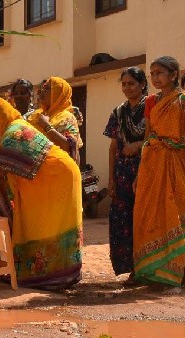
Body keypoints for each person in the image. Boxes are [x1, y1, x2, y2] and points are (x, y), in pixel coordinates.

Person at [0, 97, 82, 290]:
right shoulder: (12, 130)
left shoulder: (14, 132)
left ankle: (56, 276)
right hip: (49, 178)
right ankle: (48, 274)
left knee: (51, 225)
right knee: (41, 224)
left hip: (57, 177)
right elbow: (1, 165)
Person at [133, 56, 185, 294]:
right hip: (152, 164)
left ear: (174, 75)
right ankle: (156, 272)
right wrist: (139, 172)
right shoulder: (153, 101)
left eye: (159, 73)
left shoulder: (182, 101)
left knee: (175, 214)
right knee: (151, 215)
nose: (154, 77)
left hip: (175, 164)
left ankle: (177, 274)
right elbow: (148, 135)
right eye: (152, 73)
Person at [103, 67, 147, 283]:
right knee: (123, 221)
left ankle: (146, 268)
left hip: (146, 170)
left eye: (131, 83)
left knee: (143, 219)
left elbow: (159, 138)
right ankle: (131, 269)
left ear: (142, 84)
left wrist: (139, 145)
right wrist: (110, 178)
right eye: (124, 84)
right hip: (122, 174)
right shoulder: (118, 112)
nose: (127, 88)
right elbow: (113, 147)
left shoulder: (152, 107)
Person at [28, 77, 83, 164]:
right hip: (36, 172)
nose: (42, 91)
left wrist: (46, 126)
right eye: (43, 88)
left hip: (58, 169)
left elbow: (70, 147)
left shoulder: (67, 117)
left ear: (58, 93)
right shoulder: (34, 116)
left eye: (47, 88)